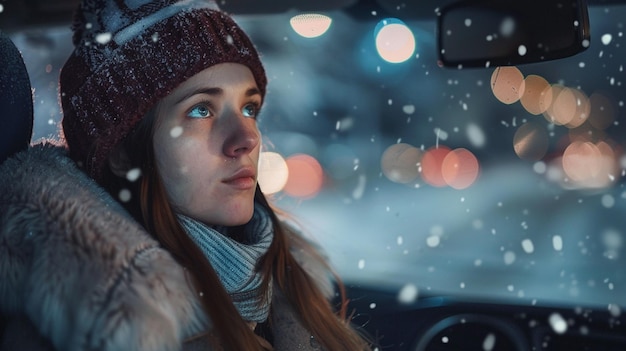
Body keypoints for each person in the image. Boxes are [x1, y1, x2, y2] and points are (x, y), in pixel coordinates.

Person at [0, 0, 371, 350]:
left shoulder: (291, 288)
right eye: (201, 111)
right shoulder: (77, 332)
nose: (248, 138)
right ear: (123, 152)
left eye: (248, 107)